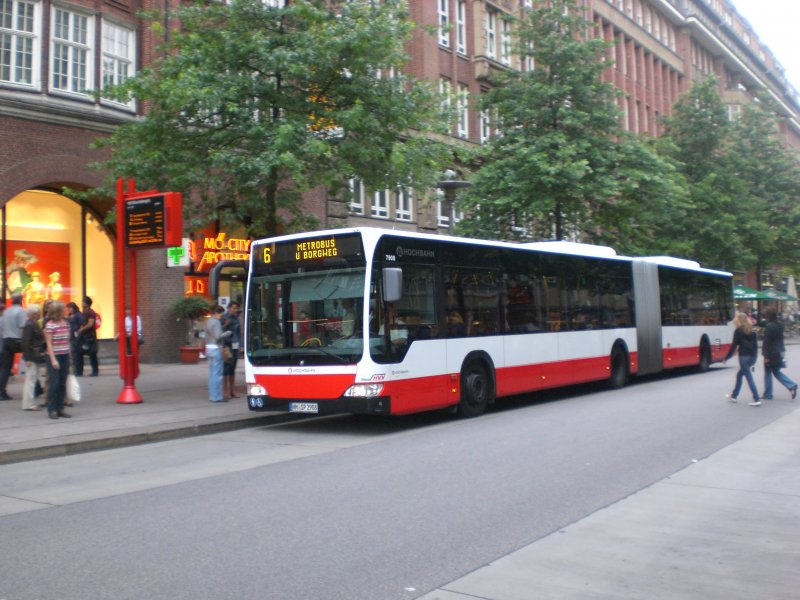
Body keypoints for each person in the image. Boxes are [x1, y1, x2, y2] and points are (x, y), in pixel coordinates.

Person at [723, 312, 760, 406]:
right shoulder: (752, 330)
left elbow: (733, 346)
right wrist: (755, 358)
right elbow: (756, 346)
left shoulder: (738, 331)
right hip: (752, 357)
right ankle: (734, 396)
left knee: (748, 377)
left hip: (743, 356)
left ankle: (757, 398)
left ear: (738, 321)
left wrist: (726, 358)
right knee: (740, 375)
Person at [762, 307, 798, 401]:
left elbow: (767, 342)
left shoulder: (769, 326)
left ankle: (768, 394)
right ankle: (791, 385)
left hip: (773, 352)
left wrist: (766, 356)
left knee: (768, 372)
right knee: (776, 371)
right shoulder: (780, 325)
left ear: (768, 316)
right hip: (781, 351)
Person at [44, 301, 72, 419]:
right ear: (57, 311)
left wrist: (70, 356)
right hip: (54, 356)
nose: (65, 311)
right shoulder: (50, 325)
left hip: (64, 354)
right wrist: (53, 359)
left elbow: (67, 341)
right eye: (63, 309)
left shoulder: (65, 323)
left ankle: (60, 408)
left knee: (62, 383)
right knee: (54, 384)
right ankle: (52, 409)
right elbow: (49, 344)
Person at [0, 294, 27, 400]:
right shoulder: (21, 311)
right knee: (30, 361)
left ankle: (2, 391)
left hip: (6, 340)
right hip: (17, 340)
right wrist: (25, 342)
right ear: (21, 300)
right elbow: (22, 328)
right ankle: (36, 388)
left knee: (5, 368)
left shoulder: (6, 312)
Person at [21, 304, 47, 411]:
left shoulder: (33, 324)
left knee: (32, 379)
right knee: (31, 380)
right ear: (34, 314)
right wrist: (27, 358)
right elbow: (26, 342)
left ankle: (29, 403)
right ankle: (29, 404)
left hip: (33, 355)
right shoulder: (30, 325)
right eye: (38, 313)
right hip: (31, 356)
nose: (40, 314)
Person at [205, 305, 232, 403]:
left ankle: (212, 396)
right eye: (221, 314)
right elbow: (218, 336)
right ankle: (217, 397)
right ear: (218, 313)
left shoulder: (208, 321)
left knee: (212, 374)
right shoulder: (216, 322)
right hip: (216, 349)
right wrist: (228, 333)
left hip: (209, 349)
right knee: (218, 374)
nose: (222, 316)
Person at [75, 296, 99, 376]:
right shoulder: (84, 312)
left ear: (86, 303)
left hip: (90, 336)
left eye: (83, 302)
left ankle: (95, 371)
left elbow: (90, 324)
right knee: (79, 352)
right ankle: (79, 371)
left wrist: (82, 329)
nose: (81, 303)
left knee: (92, 353)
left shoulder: (91, 312)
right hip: (84, 336)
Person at [221, 301, 241, 399]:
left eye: (236, 308)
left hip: (235, 345)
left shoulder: (236, 318)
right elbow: (220, 331)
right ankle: (225, 391)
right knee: (226, 368)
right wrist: (225, 325)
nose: (235, 310)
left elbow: (238, 332)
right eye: (233, 308)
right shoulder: (224, 318)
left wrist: (240, 345)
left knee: (233, 367)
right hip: (227, 345)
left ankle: (232, 391)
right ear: (228, 308)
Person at [66, 301, 83, 374]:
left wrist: (78, 332)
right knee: (73, 354)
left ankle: (78, 370)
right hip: (71, 337)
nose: (69, 310)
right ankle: (76, 369)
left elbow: (82, 324)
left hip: (76, 337)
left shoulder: (78, 315)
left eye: (70, 308)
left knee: (77, 354)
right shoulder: (70, 316)